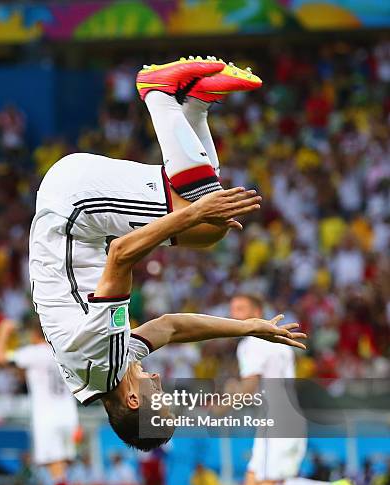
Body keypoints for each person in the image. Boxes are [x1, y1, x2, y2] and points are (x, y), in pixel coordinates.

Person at [29, 57, 306, 452]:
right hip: (75, 211)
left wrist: (194, 211)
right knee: (208, 231)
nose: (161, 384)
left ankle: (158, 94)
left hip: (74, 205)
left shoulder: (103, 358)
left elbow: (121, 255)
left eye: (159, 398)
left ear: (134, 400)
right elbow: (172, 327)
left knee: (205, 213)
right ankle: (196, 103)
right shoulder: (106, 371)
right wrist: (248, 327)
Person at [229, 294, 359, 485]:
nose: (235, 314)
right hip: (280, 417)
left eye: (242, 308)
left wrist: (223, 402)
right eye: (233, 309)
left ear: (258, 311)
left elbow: (250, 386)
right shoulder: (278, 340)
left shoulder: (252, 342)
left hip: (279, 421)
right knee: (253, 484)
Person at [0, 317, 81, 485]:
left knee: (54, 463)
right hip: (68, 413)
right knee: (59, 464)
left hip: (47, 415)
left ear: (34, 334)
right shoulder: (64, 351)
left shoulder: (33, 353)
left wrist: (4, 331)